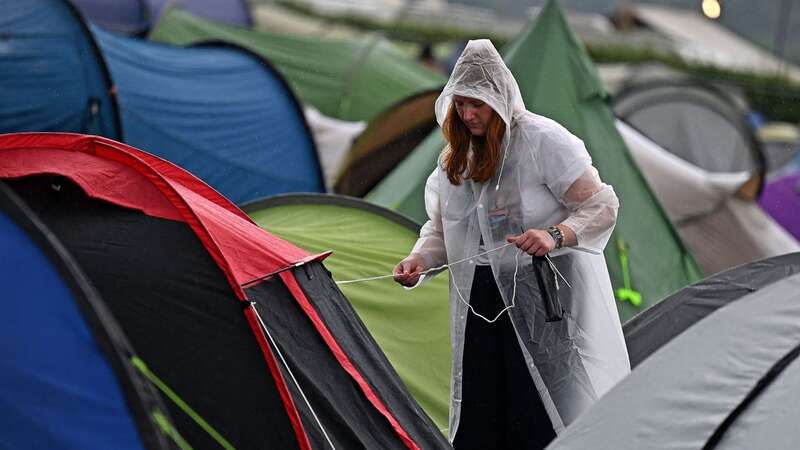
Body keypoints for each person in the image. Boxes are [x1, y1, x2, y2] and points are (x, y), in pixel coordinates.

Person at [393, 40, 630, 449]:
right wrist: (419, 261)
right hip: (482, 300)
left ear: (499, 102)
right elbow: (444, 230)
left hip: (541, 292)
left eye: (478, 105)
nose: (468, 114)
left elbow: (602, 206)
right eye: (462, 104)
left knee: (539, 408)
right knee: (482, 411)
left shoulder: (542, 141)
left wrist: (554, 235)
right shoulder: (458, 155)